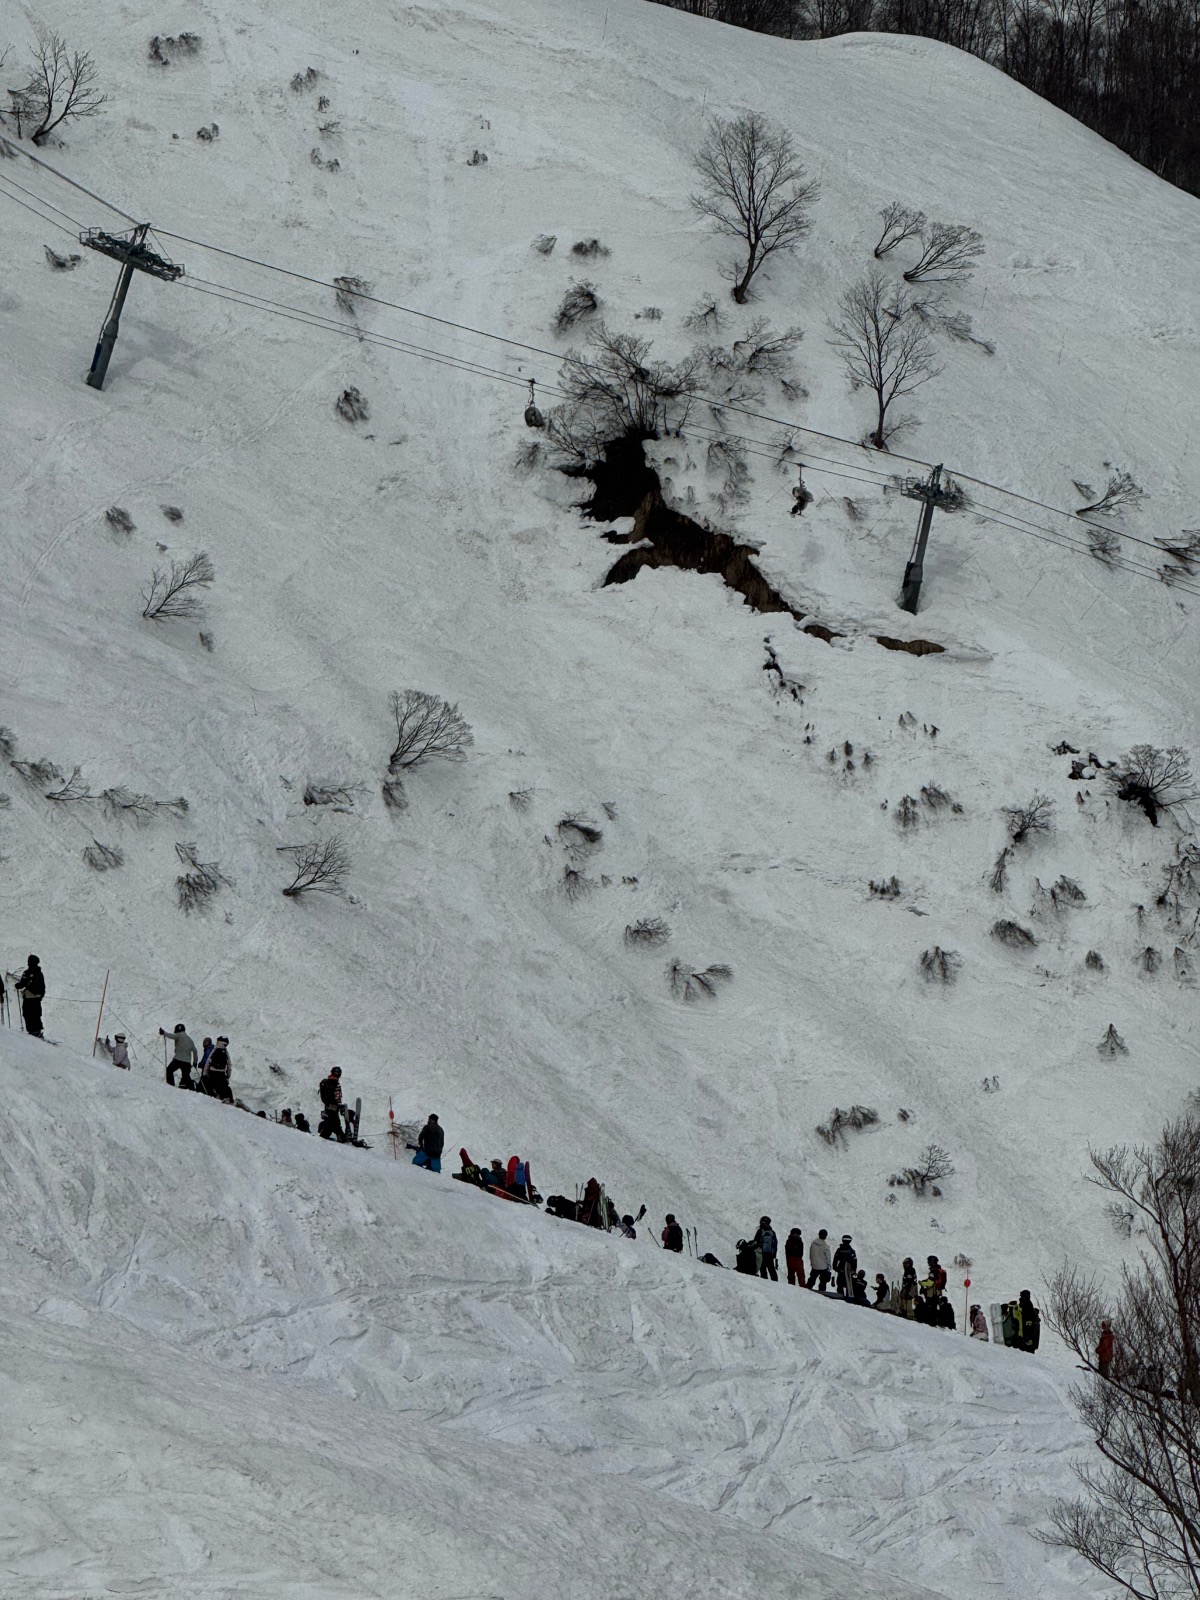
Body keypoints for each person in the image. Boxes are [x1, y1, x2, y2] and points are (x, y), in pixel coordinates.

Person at [159, 1023, 198, 1089]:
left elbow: (171, 1036)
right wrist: (195, 1062)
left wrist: (164, 1033)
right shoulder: (190, 1040)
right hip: (187, 1062)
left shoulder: (178, 1035)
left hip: (178, 1060)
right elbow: (195, 1051)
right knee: (186, 1076)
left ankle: (171, 1086)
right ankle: (192, 1089)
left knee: (169, 1070)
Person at [15, 955, 45, 1038]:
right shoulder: (39, 973)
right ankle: (37, 1030)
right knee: (36, 1013)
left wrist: (18, 985)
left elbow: (22, 983)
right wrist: (41, 995)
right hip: (37, 997)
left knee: (28, 1013)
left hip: (29, 996)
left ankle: (32, 1030)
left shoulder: (27, 972)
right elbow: (42, 986)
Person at [201, 1037, 233, 1102]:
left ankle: (214, 1094)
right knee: (224, 1085)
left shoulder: (215, 1050)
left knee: (211, 1083)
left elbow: (208, 1062)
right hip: (221, 1072)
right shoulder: (225, 1052)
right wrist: (228, 1074)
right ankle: (228, 1098)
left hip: (212, 1072)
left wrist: (205, 1073)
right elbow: (229, 1064)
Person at [318, 1066, 346, 1139]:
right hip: (333, 1109)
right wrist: (339, 1106)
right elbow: (337, 1098)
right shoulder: (336, 1084)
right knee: (334, 1124)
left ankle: (339, 1136)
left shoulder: (325, 1082)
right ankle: (341, 1137)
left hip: (328, 1107)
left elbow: (324, 1097)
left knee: (331, 1125)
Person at [807, 1228, 832, 1293]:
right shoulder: (825, 1246)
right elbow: (828, 1257)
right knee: (823, 1281)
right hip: (823, 1267)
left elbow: (811, 1254)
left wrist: (812, 1263)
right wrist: (829, 1265)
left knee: (812, 1279)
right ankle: (822, 1292)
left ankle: (807, 1289)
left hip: (815, 1266)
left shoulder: (813, 1243)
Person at [833, 1234, 857, 1300]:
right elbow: (854, 1262)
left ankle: (840, 1296)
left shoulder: (839, 1250)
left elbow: (835, 1260)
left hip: (841, 1269)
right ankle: (848, 1298)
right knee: (848, 1284)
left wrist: (835, 1267)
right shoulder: (852, 1251)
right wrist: (853, 1270)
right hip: (848, 1270)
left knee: (839, 1284)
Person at [755, 1217, 778, 1281]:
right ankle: (775, 1282)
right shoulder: (772, 1232)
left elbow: (756, 1241)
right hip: (769, 1253)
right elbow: (775, 1244)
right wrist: (774, 1254)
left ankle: (765, 1282)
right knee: (771, 1269)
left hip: (762, 1253)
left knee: (763, 1268)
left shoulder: (760, 1231)